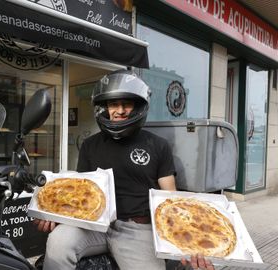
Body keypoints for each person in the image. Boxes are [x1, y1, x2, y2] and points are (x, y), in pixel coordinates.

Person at [34, 70, 214, 270]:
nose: (120, 110)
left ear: (138, 107)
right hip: (95, 225)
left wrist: (188, 241)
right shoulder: (89, 145)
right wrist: (56, 215)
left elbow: (170, 199)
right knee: (58, 243)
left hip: (137, 230)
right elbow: (79, 192)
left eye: (126, 104)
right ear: (104, 108)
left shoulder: (157, 145)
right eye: (113, 104)